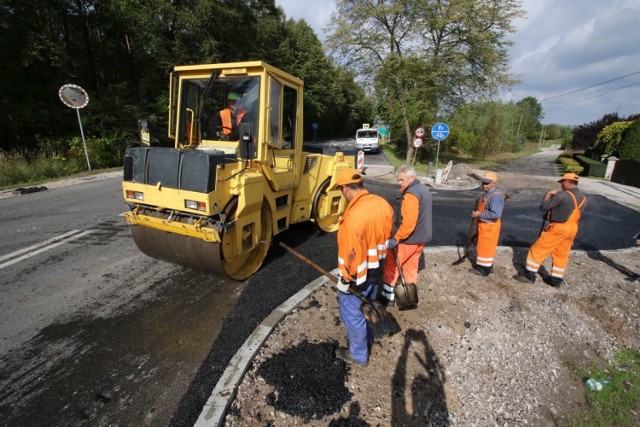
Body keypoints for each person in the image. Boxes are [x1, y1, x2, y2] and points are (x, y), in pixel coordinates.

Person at [334, 168, 393, 367]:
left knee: (352, 314)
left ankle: (358, 356)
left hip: (358, 277)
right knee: (368, 303)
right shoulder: (382, 204)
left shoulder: (353, 217)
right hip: (377, 270)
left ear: (345, 189)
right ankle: (367, 336)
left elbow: (350, 254)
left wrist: (345, 278)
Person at [514, 173, 587, 287]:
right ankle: (556, 280)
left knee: (537, 250)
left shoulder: (561, 195)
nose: (561, 184)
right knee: (561, 253)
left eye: (562, 182)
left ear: (567, 182)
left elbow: (543, 207)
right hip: (572, 228)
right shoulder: (583, 198)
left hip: (558, 227)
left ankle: (529, 276)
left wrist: (548, 194)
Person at [380, 165, 432, 306]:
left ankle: (387, 297)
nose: (399, 183)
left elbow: (408, 224)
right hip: (419, 240)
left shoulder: (410, 195)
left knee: (392, 266)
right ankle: (409, 299)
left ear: (411, 178)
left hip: (407, 241)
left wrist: (396, 238)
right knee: (410, 268)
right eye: (398, 180)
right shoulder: (423, 189)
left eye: (402, 180)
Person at [469, 172, 505, 276]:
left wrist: (479, 214)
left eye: (487, 183)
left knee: (485, 248)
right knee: (484, 247)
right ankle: (488, 266)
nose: (484, 185)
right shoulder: (489, 193)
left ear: (494, 183)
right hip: (486, 225)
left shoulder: (496, 196)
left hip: (489, 227)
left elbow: (496, 214)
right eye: (483, 183)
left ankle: (483, 270)